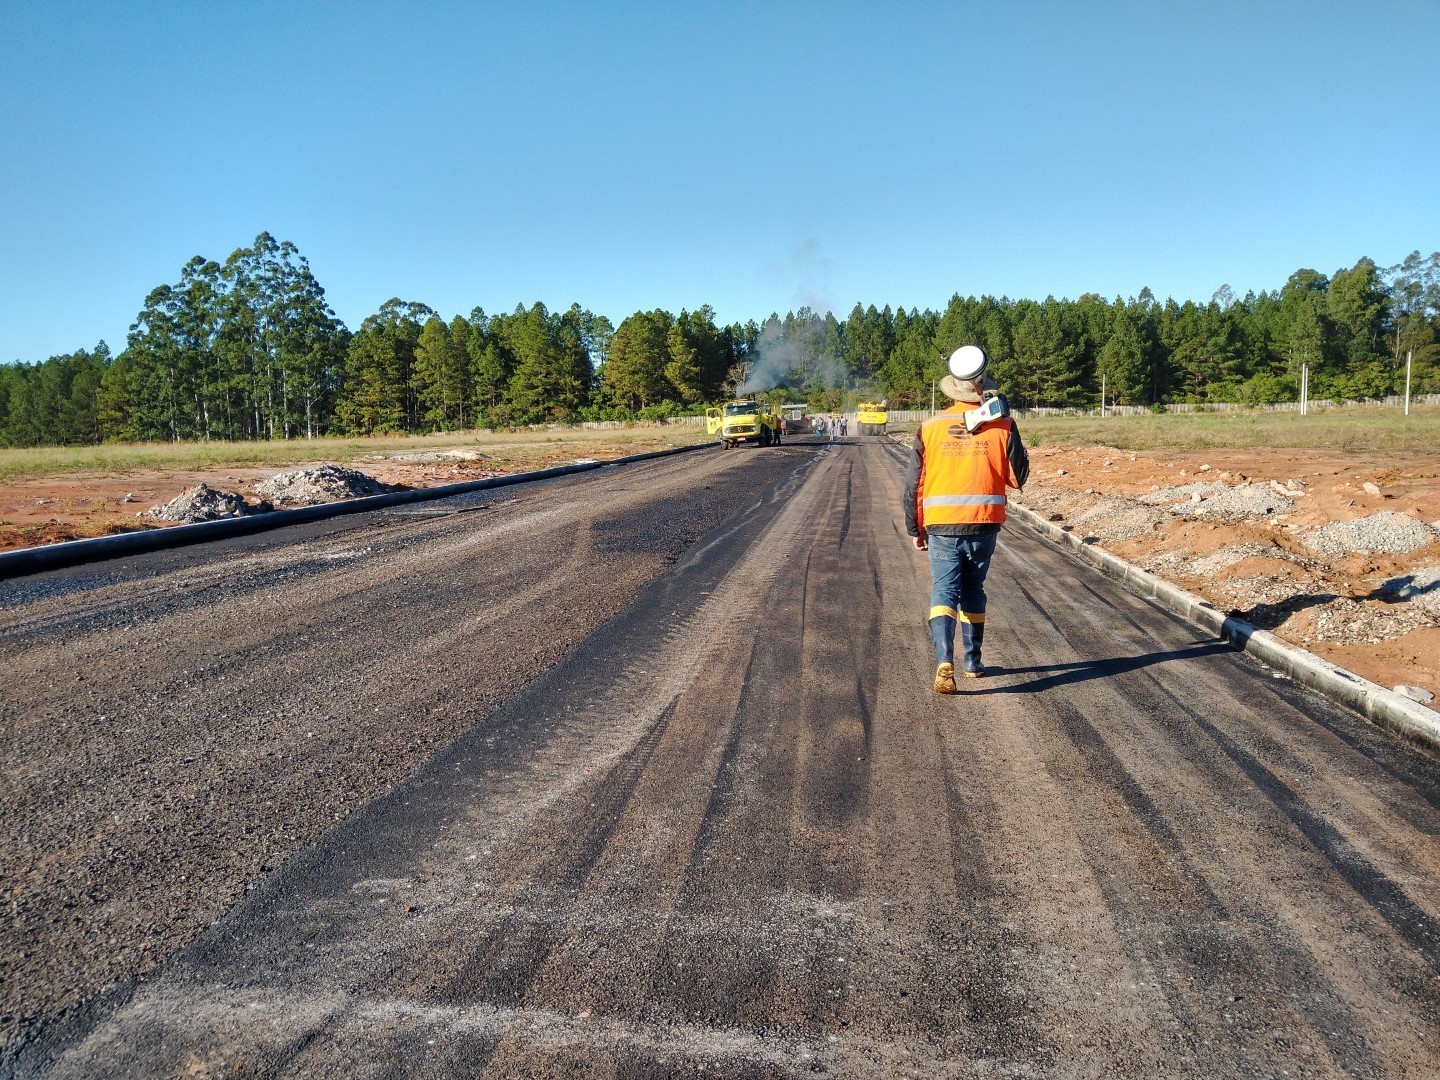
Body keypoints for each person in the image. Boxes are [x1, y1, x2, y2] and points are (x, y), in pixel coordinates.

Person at [903, 346, 1029, 693]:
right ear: (982, 385)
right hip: (984, 522)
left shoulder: (930, 426)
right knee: (974, 588)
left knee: (945, 588)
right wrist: (1009, 429)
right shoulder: (1002, 424)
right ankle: (972, 662)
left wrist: (916, 526)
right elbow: (1018, 479)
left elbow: (915, 483)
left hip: (941, 524)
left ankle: (945, 660)